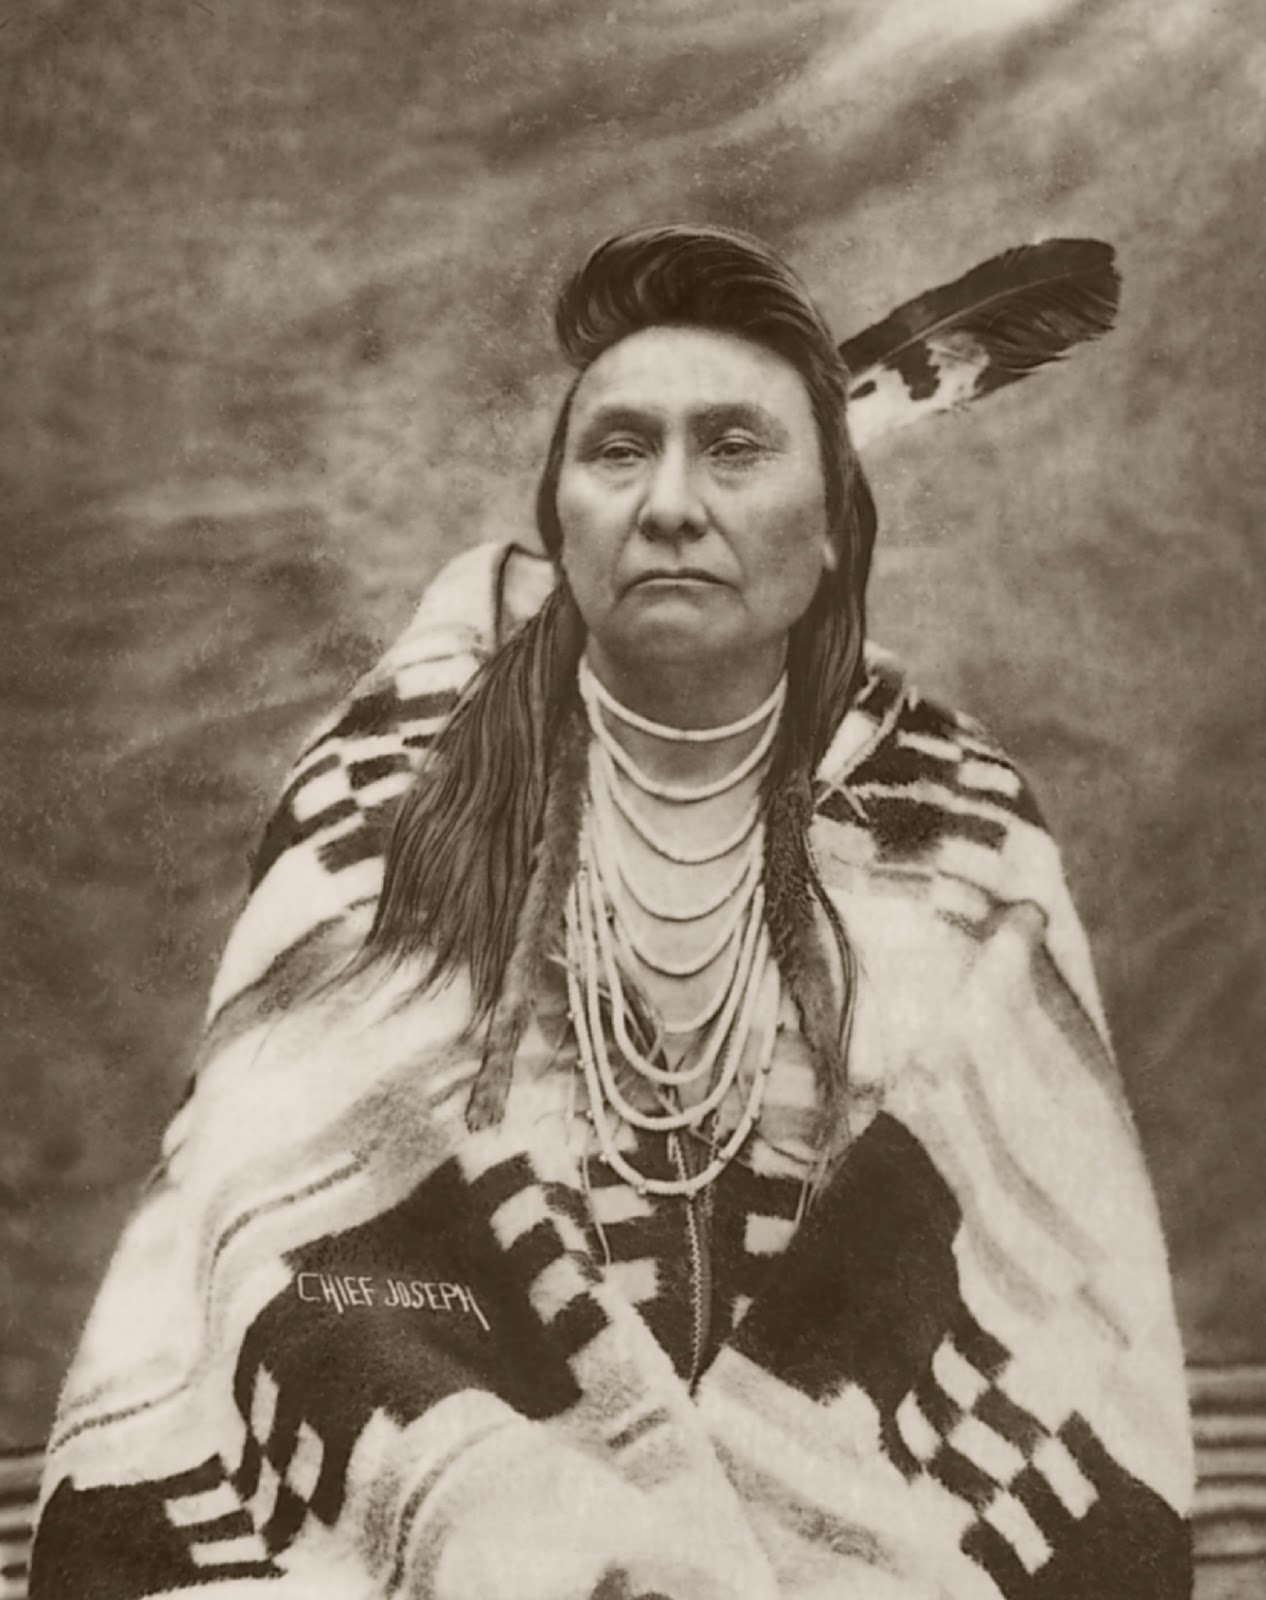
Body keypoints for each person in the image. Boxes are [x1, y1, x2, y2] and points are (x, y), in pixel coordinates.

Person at [31, 225, 1193, 1599]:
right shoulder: (383, 805)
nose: (671, 504)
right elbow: (300, 1244)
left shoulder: (952, 818)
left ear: (832, 529)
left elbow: (1024, 1232)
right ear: (561, 515)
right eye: (619, 450)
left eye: (736, 450)